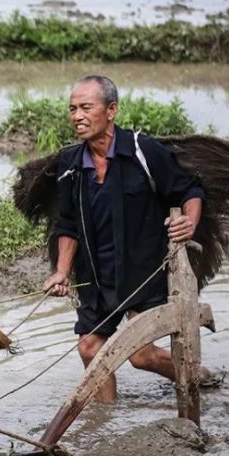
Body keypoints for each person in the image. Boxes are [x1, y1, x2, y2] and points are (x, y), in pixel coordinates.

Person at [44, 75, 207, 402]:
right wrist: (62, 271)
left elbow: (189, 189)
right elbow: (67, 225)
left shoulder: (142, 151)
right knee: (90, 349)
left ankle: (197, 378)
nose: (77, 116)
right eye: (72, 109)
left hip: (143, 272)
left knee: (142, 355)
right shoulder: (70, 165)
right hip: (97, 278)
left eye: (86, 107)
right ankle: (108, 424)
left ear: (112, 110)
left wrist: (189, 221)